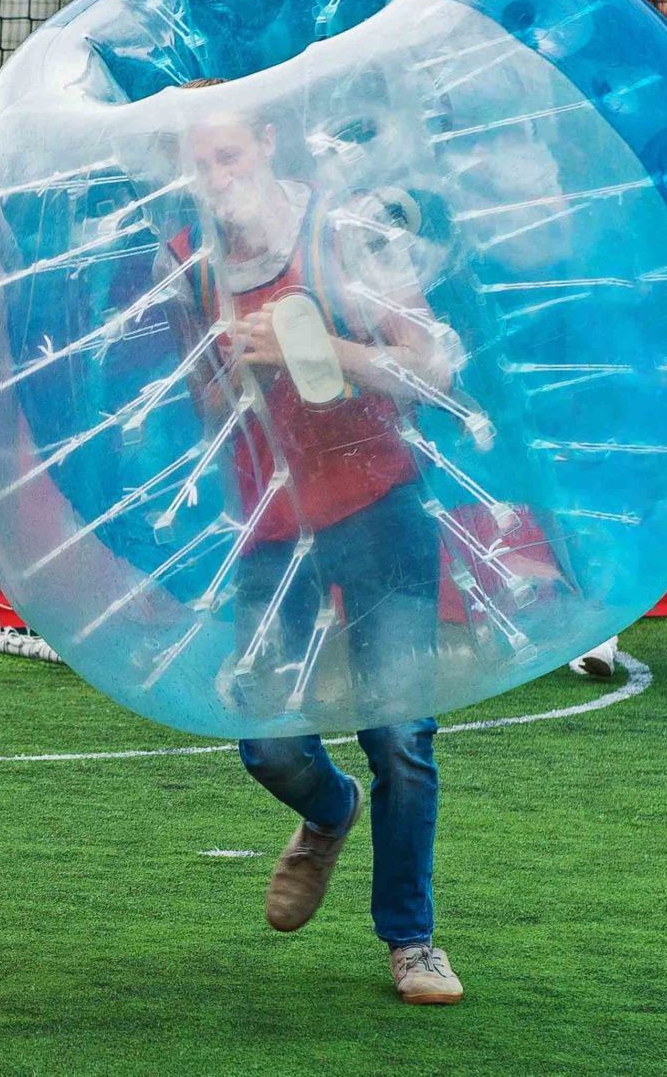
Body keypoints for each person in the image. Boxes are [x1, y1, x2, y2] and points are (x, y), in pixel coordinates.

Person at [155, 78, 466, 1005]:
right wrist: (232, 371)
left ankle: (411, 939)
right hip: (271, 521)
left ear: (268, 146)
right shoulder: (190, 263)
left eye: (229, 157)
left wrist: (318, 350)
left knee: (402, 733)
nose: (215, 179)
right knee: (269, 743)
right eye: (198, 163)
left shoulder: (345, 233)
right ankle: (329, 811)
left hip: (379, 506)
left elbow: (431, 365)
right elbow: (203, 408)